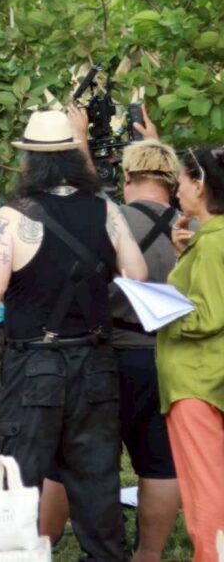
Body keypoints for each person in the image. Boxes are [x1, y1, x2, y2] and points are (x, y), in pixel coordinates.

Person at [0, 110, 147, 562]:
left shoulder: (12, 217)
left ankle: (13, 554)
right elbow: (137, 273)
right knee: (97, 474)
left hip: (35, 364)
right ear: (73, 158)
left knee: (19, 473)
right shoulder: (105, 209)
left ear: (30, 162)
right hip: (95, 362)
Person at [41, 111, 182, 561]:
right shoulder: (192, 227)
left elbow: (85, 198)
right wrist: (155, 145)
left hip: (107, 353)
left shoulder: (113, 218)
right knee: (159, 462)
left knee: (72, 455)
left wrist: (80, 140)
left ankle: (38, 543)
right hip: (167, 358)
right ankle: (149, 555)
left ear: (127, 177)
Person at [156, 146, 224, 562]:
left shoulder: (214, 244)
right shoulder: (207, 240)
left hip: (196, 382)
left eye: (180, 181)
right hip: (207, 377)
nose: (176, 189)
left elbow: (209, 314)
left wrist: (161, 313)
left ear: (199, 185)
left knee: (204, 488)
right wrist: (182, 256)